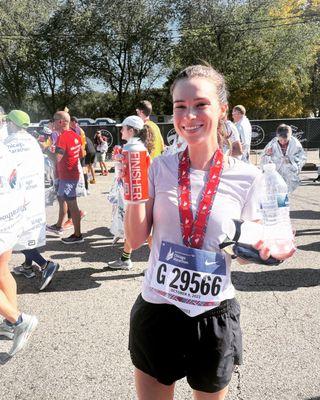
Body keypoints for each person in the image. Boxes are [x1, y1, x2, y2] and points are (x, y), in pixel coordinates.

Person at [125, 65, 294, 400]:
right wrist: (133, 190)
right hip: (159, 308)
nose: (189, 115)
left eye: (200, 104)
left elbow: (244, 246)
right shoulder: (160, 167)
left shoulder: (249, 177)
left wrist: (264, 251)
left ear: (221, 110)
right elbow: (133, 240)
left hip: (214, 314)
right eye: (179, 106)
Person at [4, 110, 59, 291]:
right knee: (29, 232)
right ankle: (27, 266)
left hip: (18, 197)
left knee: (16, 235)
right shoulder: (32, 141)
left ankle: (45, 265)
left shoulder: (7, 144)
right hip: (35, 195)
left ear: (12, 124)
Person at [0, 141, 38, 356]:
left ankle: (19, 321)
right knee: (2, 269)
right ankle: (10, 323)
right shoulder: (4, 145)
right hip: (8, 216)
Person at [107, 115, 147, 270]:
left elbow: (129, 174)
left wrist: (121, 160)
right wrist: (119, 160)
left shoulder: (133, 148)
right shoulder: (135, 147)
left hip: (136, 197)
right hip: (134, 195)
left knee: (144, 230)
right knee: (130, 227)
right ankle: (125, 258)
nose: (121, 131)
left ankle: (156, 263)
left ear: (131, 130)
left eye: (123, 128)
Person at [46, 111, 84, 244]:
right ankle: (59, 226)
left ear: (61, 122)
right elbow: (80, 154)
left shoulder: (62, 138)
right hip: (70, 175)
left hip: (67, 176)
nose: (52, 123)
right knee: (64, 200)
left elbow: (57, 158)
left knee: (72, 203)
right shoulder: (75, 135)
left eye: (54, 120)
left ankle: (78, 235)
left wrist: (46, 150)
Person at [260, 124, 306, 193]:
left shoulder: (295, 144)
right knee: (276, 192)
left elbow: (301, 158)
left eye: (285, 140)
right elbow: (263, 158)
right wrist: (268, 154)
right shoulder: (273, 143)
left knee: (286, 192)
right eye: (281, 140)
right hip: (276, 172)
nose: (283, 142)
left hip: (289, 173)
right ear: (277, 136)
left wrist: (290, 160)